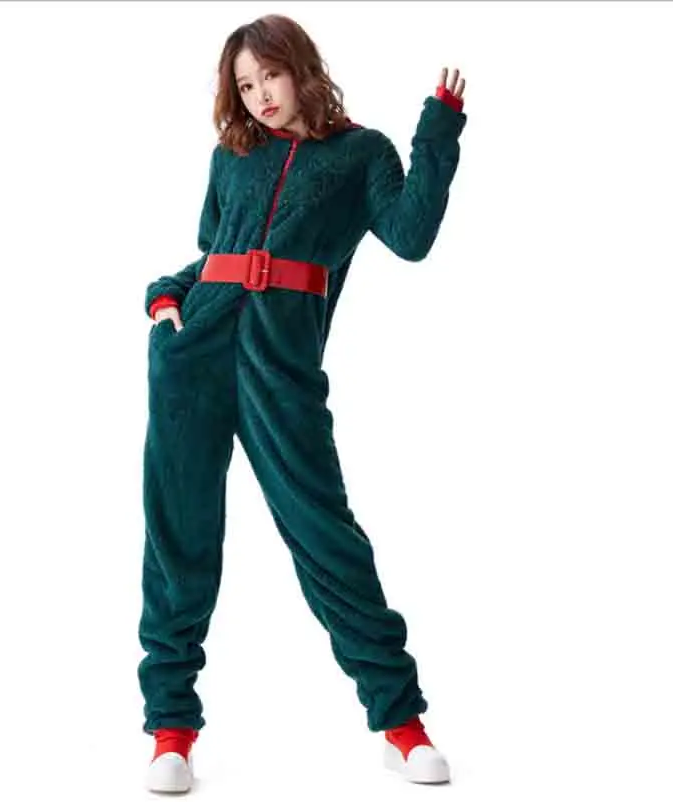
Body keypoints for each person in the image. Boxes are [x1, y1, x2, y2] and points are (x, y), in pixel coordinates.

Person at [138, 13, 467, 794]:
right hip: (193, 356)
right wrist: (165, 297)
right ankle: (171, 731)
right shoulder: (232, 155)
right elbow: (214, 254)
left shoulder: (361, 153)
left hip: (281, 371)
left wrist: (439, 130)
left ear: (302, 67)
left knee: (327, 538)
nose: (260, 95)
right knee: (179, 535)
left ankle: (401, 723)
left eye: (271, 75)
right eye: (245, 84)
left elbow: (411, 235)